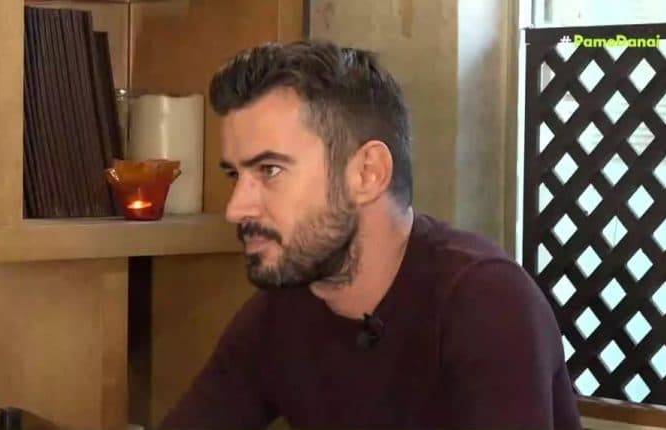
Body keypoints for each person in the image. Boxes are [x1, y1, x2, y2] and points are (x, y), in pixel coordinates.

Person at [159, 39, 582, 430]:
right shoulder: (279, 311)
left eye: (270, 170)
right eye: (235, 175)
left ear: (368, 173)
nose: (236, 208)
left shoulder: (486, 302)